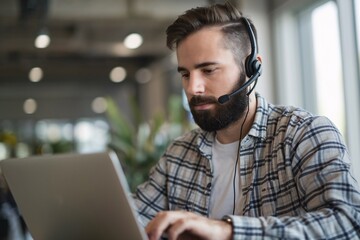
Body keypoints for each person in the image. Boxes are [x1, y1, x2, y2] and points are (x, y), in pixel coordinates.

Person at [133, 2, 360, 239]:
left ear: (252, 68)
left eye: (208, 70)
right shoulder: (180, 152)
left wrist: (227, 231)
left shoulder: (303, 134)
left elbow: (347, 223)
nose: (192, 88)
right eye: (185, 74)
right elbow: (135, 217)